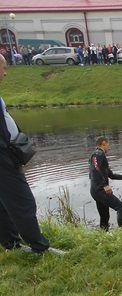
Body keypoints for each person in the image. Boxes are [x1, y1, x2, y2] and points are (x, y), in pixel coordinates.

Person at [0, 54, 59, 254]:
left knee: (3, 201)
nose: (5, 73)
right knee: (22, 201)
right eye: (3, 68)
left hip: (6, 154)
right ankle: (39, 246)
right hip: (3, 158)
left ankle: (10, 243)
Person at [89, 137, 122, 230]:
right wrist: (105, 185)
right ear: (104, 143)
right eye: (108, 145)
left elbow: (111, 175)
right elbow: (95, 170)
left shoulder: (99, 156)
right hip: (100, 190)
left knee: (105, 216)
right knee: (121, 208)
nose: (108, 148)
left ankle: (103, 236)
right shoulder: (98, 153)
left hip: (95, 190)